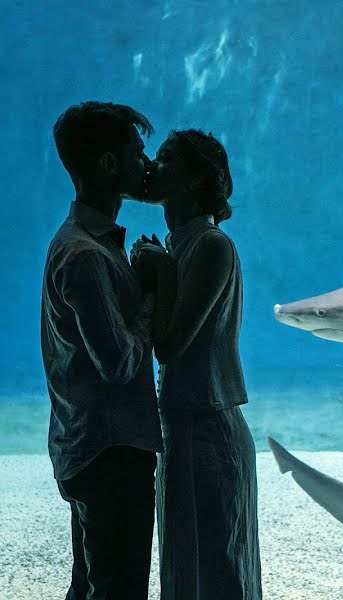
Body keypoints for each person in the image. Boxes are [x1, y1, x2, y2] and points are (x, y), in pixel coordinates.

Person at [133, 129, 262, 599]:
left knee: (217, 569)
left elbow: (170, 345)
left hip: (208, 428)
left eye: (165, 159)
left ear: (192, 179)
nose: (152, 165)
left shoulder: (210, 246)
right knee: (187, 567)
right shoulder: (178, 246)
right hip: (183, 429)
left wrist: (161, 271)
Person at [41, 101, 162, 599]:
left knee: (91, 585)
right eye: (136, 153)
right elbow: (118, 363)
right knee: (118, 590)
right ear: (110, 164)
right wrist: (153, 293)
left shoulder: (80, 243)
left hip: (84, 444)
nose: (147, 164)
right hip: (111, 451)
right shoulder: (87, 257)